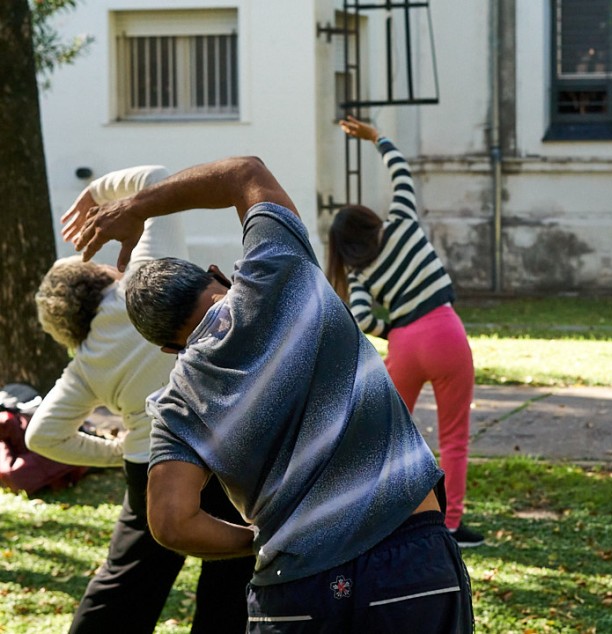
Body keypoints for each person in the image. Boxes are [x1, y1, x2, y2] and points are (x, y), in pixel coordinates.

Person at [72, 154, 474, 633]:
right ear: (218, 274)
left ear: (167, 347)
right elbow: (246, 172)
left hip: (292, 593)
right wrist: (139, 205)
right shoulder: (280, 270)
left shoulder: (178, 403)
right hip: (408, 566)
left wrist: (258, 539)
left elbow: (171, 521)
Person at [28, 166, 254, 634]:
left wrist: (114, 452)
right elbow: (156, 175)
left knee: (126, 583)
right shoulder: (146, 274)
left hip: (150, 465)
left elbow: (42, 435)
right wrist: (95, 194)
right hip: (223, 446)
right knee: (232, 575)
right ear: (96, 274)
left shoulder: (87, 360)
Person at [325, 116, 483, 547]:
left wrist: (392, 327)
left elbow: (360, 319)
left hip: (404, 345)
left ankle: (375, 513)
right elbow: (402, 173)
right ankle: (450, 525)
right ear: (368, 220)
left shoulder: (358, 274)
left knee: (387, 434)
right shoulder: (402, 223)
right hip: (445, 332)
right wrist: (378, 137)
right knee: (454, 437)